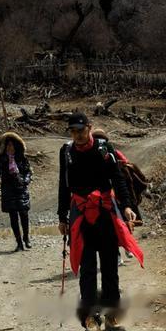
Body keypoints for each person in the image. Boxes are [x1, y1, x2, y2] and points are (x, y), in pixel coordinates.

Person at [57, 111, 144, 330]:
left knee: (109, 266)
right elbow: (63, 185)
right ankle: (90, 316)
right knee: (87, 268)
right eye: (73, 131)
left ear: (89, 127)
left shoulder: (105, 149)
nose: (77, 135)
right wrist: (62, 216)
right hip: (81, 214)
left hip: (105, 212)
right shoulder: (66, 152)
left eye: (81, 130)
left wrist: (126, 206)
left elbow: (117, 178)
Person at [0, 131, 32, 251]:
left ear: (16, 146)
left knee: (24, 215)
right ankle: (19, 242)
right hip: (8, 191)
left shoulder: (22, 158)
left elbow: (28, 172)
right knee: (13, 217)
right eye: (8, 145)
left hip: (21, 190)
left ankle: (26, 238)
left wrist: (24, 181)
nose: (10, 148)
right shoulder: (2, 160)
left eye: (12, 145)